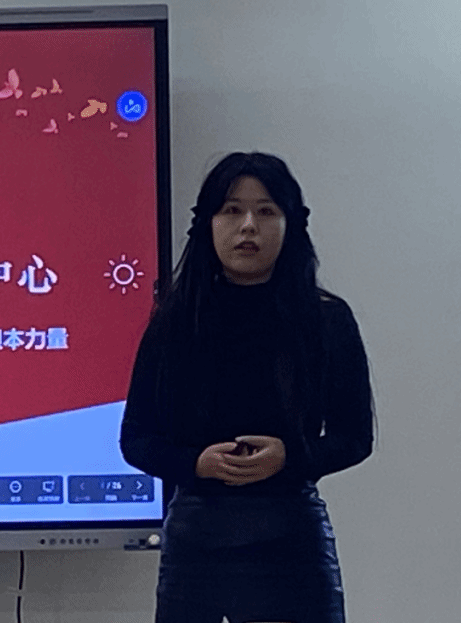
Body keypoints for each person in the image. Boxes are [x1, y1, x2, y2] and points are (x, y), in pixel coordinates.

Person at [119, 152, 375, 623]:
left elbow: (355, 437)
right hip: (196, 540)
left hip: (292, 537)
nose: (249, 226)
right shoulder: (175, 321)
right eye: (232, 210)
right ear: (208, 223)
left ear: (291, 224)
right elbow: (136, 439)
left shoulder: (326, 319)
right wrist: (196, 463)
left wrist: (289, 457)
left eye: (266, 211)